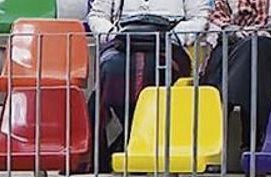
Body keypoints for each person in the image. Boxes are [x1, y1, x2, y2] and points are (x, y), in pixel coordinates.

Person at [86, 0, 208, 168]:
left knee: (160, 69)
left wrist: (176, 36)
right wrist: (114, 34)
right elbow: (97, 16)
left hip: (168, 45)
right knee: (111, 69)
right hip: (123, 44)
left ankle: (139, 139)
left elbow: (200, 17)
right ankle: (130, 135)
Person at [202, 0, 271, 151]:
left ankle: (226, 144)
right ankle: (253, 145)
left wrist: (266, 31)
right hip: (235, 51)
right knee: (249, 54)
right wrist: (234, 32)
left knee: (259, 47)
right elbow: (216, 23)